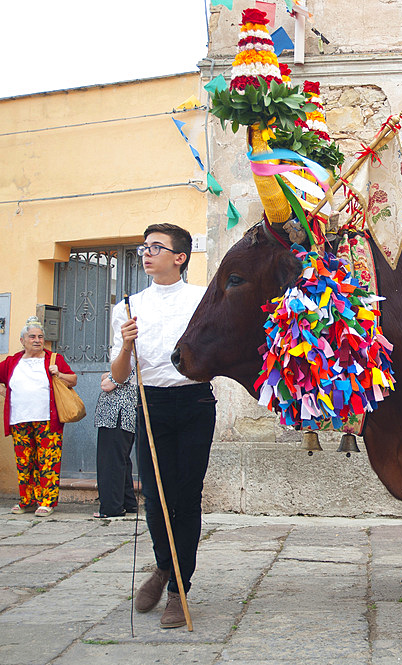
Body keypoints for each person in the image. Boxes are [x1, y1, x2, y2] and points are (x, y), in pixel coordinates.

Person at [110, 223, 215, 629]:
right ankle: (163, 566)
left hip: (194, 402)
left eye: (157, 247)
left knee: (185, 499)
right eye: (144, 246)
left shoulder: (202, 299)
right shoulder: (129, 306)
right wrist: (126, 345)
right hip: (150, 402)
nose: (147, 253)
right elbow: (119, 375)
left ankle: (177, 590)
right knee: (154, 498)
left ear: (180, 257)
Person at [0, 316, 77, 517]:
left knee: (48, 462)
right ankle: (28, 500)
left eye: (40, 337)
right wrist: (5, 392)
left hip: (47, 420)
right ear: (22, 340)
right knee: (25, 462)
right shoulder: (12, 361)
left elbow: (73, 379)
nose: (37, 340)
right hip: (19, 420)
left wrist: (58, 374)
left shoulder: (53, 359)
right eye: (32, 336)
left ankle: (47, 501)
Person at [92, 370, 139, 518]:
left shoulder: (128, 361)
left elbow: (107, 384)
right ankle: (127, 502)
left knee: (110, 460)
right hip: (121, 414)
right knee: (121, 459)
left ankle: (112, 507)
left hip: (117, 414)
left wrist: (110, 376)